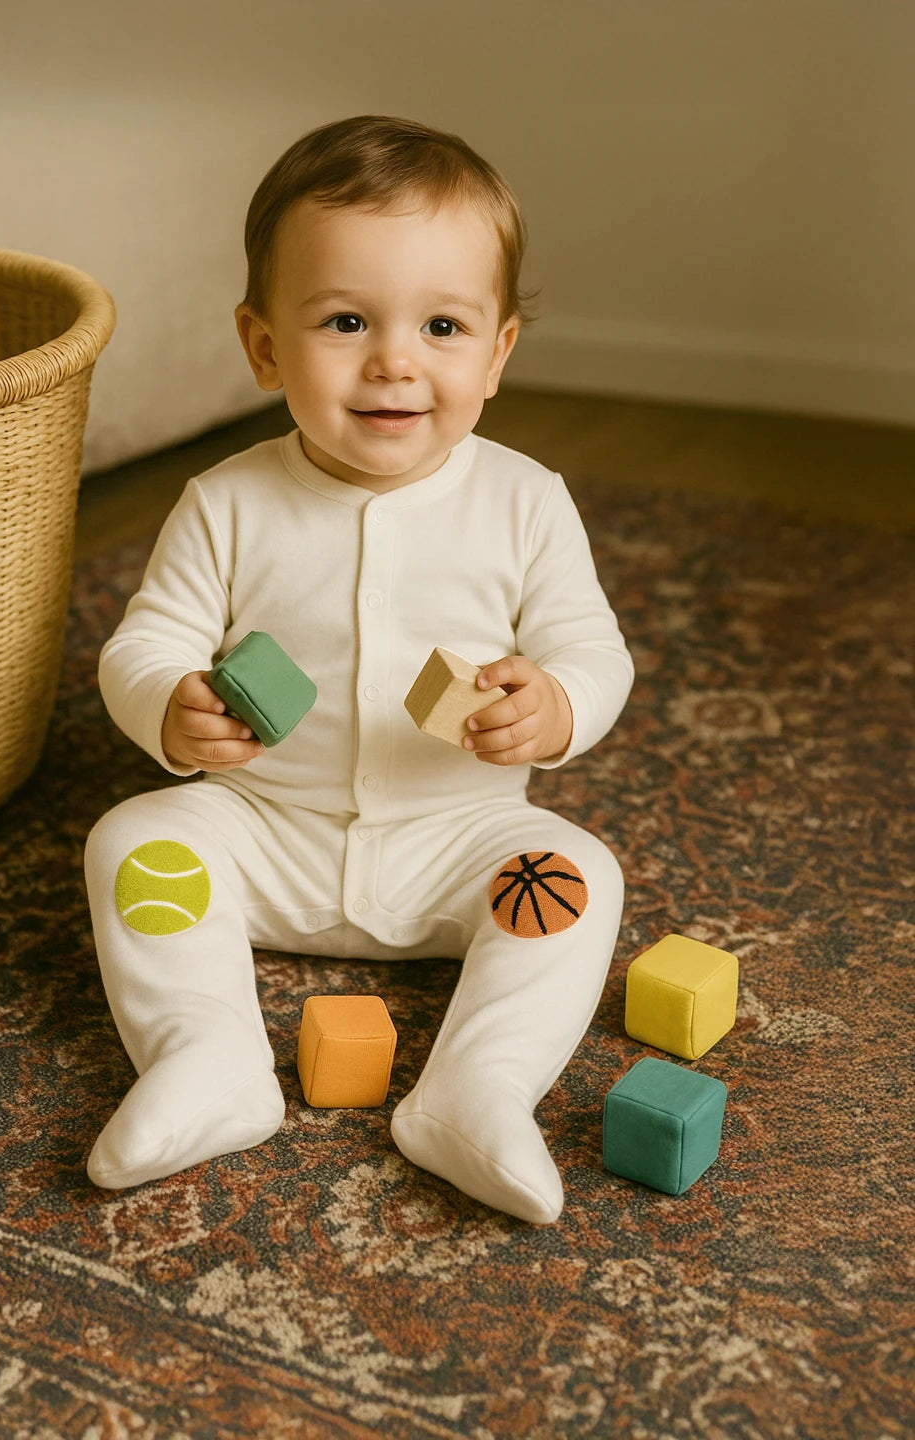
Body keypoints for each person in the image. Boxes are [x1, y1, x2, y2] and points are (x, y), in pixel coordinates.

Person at [83, 115, 633, 1224]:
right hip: (261, 837)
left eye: (441, 325)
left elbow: (591, 649)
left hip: (454, 847)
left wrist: (557, 705)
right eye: (344, 321)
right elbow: (143, 645)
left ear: (498, 352)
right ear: (263, 346)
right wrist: (171, 707)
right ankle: (209, 1057)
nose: (394, 360)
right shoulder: (228, 501)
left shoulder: (524, 500)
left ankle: (479, 1090)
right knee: (131, 843)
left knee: (576, 879)